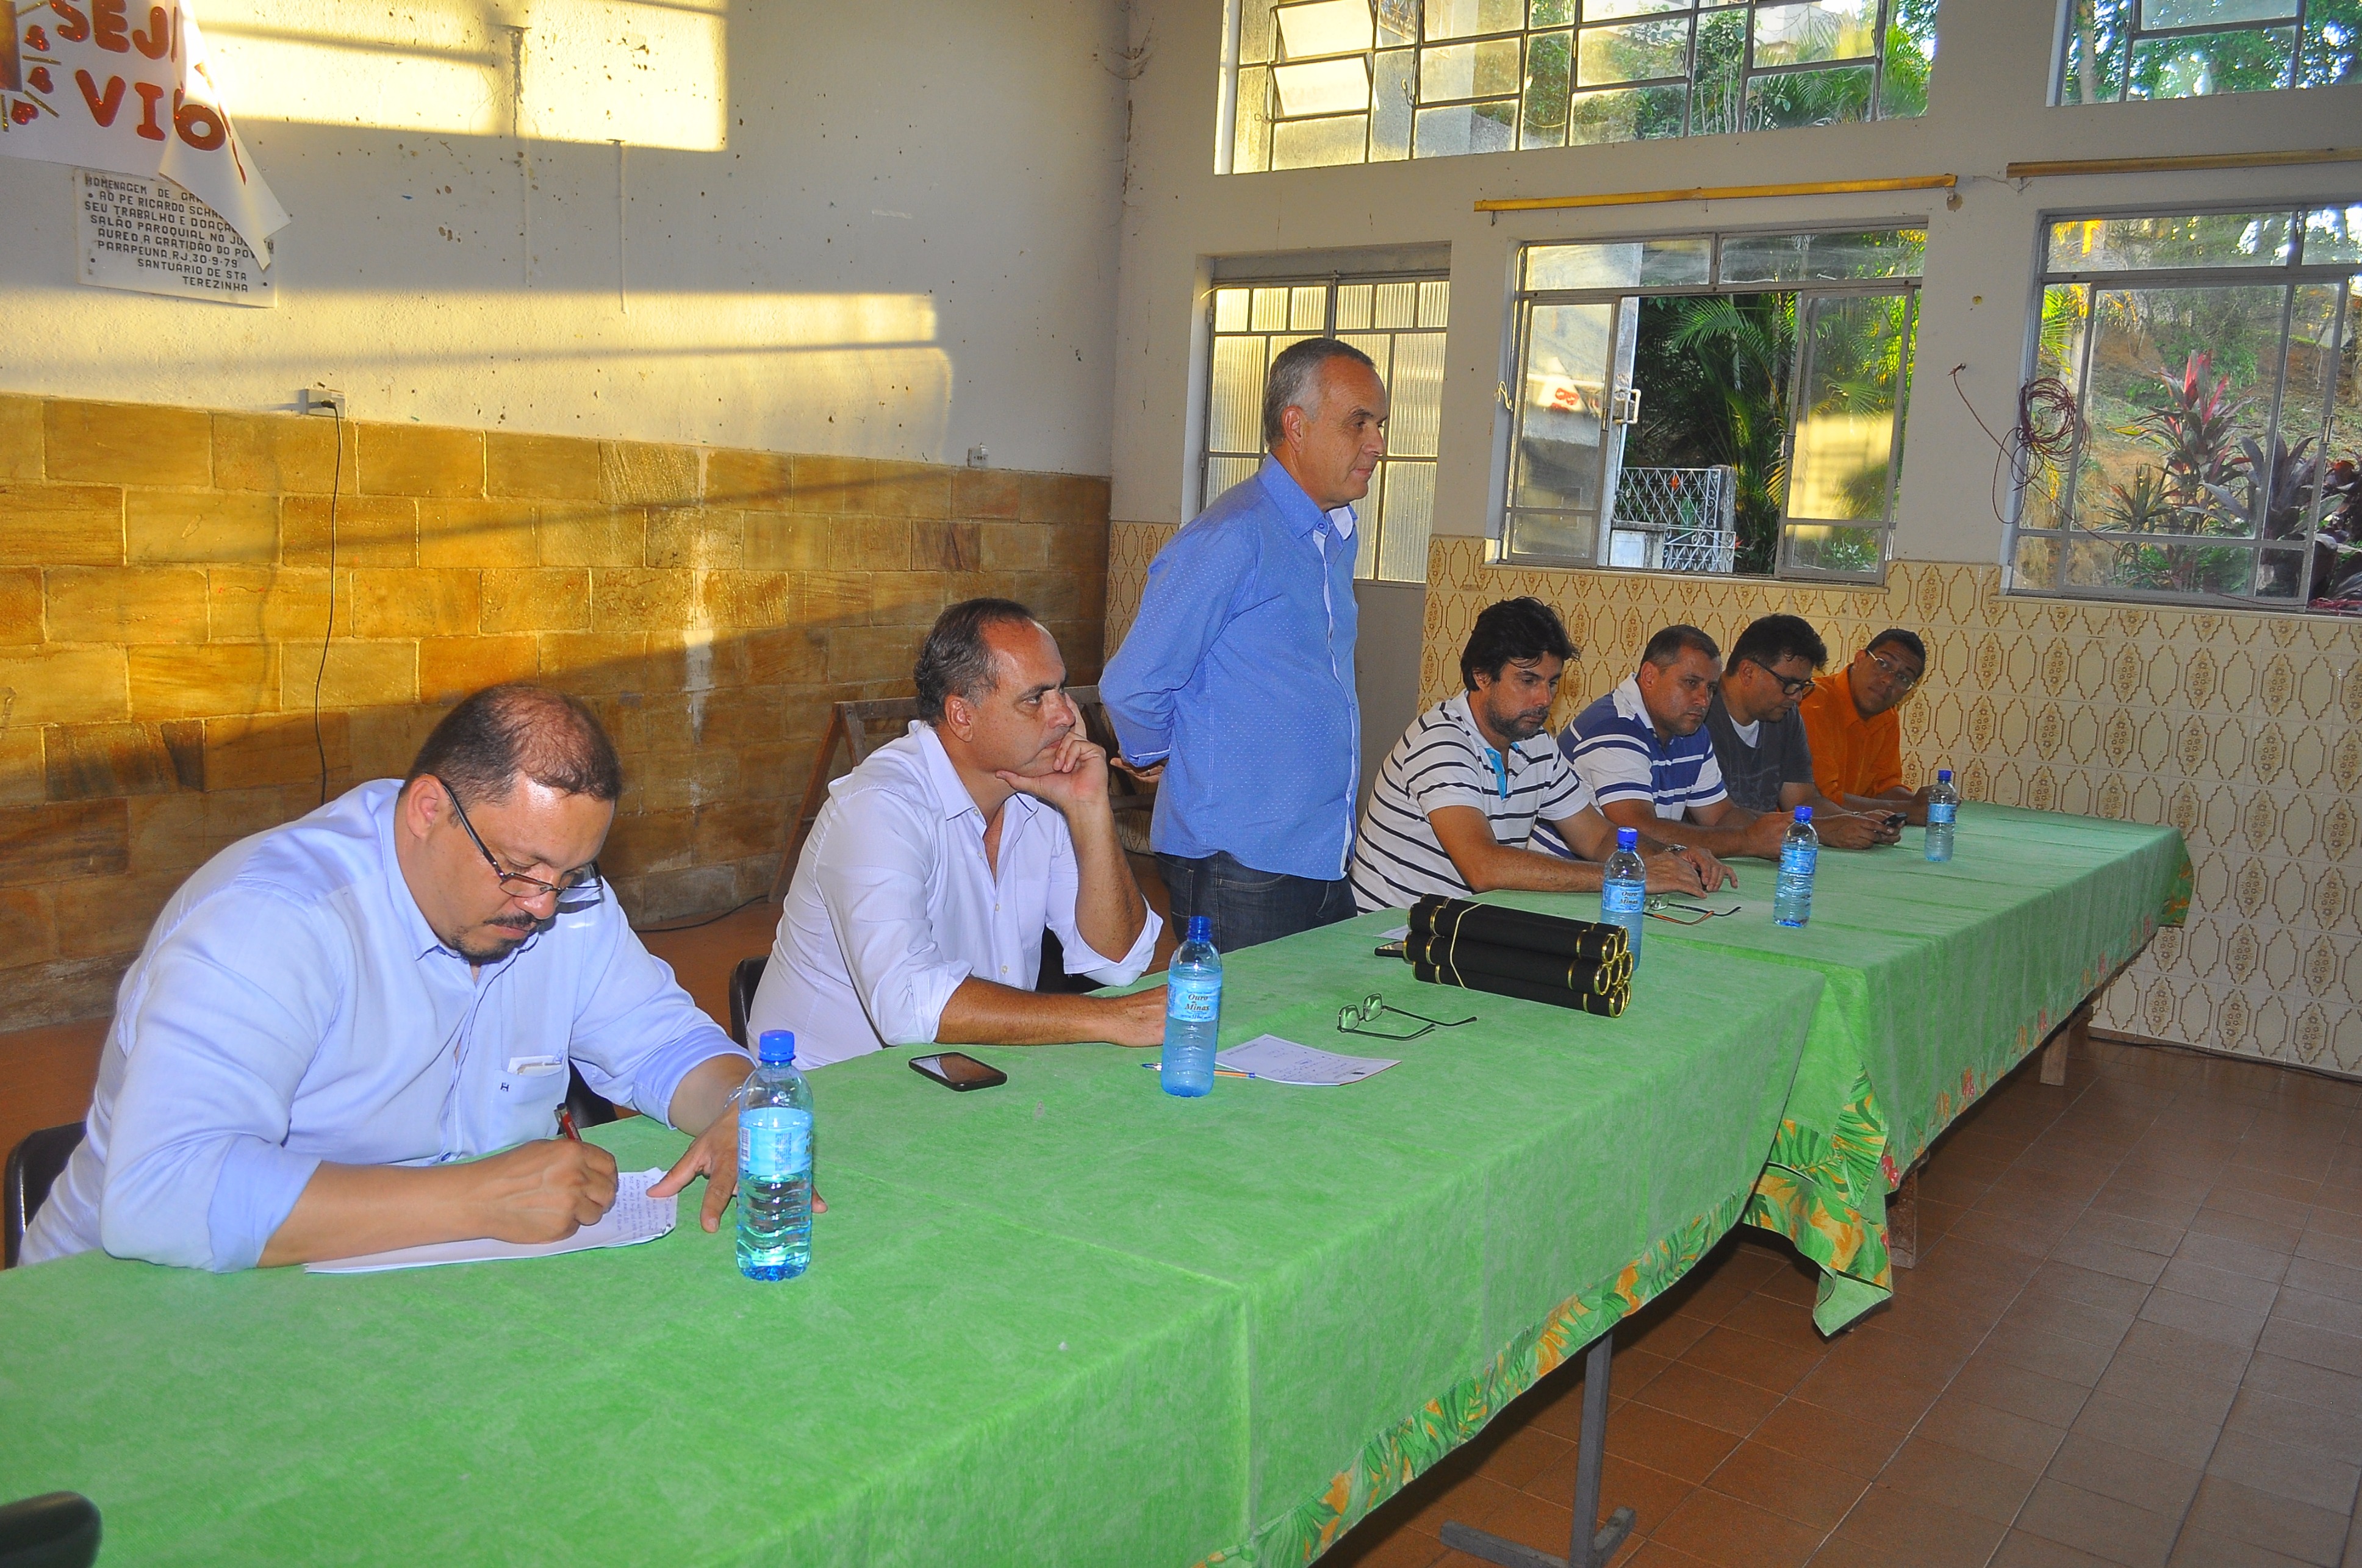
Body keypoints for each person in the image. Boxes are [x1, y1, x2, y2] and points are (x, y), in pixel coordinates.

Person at [24, 685, 758, 1270]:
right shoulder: (272, 920)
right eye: (517, 868)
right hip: (114, 1310)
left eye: (568, 874)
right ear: (428, 810)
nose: (541, 906)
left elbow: (663, 1046)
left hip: (413, 1282)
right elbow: (162, 1195)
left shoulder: (564, 900)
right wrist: (474, 1199)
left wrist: (744, 1105)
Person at [749, 598, 1165, 1070]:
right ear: (962, 716)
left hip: (970, 1072)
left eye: (1061, 689)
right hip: (826, 1090)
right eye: (1035, 698)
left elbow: (1119, 962)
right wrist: (1107, 1019)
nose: (1066, 715)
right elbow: (907, 1005)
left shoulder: (1042, 789)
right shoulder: (879, 807)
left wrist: (1090, 809)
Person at [1100, 336, 1386, 951]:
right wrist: (1156, 753)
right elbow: (1133, 683)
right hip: (1239, 863)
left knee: (1317, 1014)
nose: (1377, 444)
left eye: (1379, 425)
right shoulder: (1232, 536)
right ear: (1296, 426)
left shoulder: (1333, 536)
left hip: (1320, 852)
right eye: (1358, 423)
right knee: (1245, 1019)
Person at [1351, 598, 1730, 909]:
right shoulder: (1441, 742)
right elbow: (1484, 867)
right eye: (1528, 680)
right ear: (1481, 675)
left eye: (1552, 683)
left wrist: (1671, 856)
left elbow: (1597, 838)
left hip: (1460, 931)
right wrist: (1627, 876)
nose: (1544, 699)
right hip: (1388, 937)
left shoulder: (1536, 743)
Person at [1546, 625, 1794, 862]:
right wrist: (1747, 841)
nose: (1704, 700)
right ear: (1650, 677)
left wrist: (1779, 835)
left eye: (1711, 688)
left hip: (1638, 872)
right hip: (1571, 876)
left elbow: (1720, 815)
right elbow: (1638, 829)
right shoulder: (1614, 727)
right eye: (1691, 683)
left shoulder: (1691, 730)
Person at [1704, 614, 1897, 850]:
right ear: (1748, 672)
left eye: (1803, 687)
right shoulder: (1700, 714)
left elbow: (1803, 799)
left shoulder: (1784, 715)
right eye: (1790, 685)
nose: (1797, 697)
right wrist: (1825, 830)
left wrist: (1856, 821)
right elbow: (1721, 817)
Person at [1800, 628, 1934, 824]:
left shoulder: (1887, 716)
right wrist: (1908, 810)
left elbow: (1883, 787)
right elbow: (1820, 799)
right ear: (1860, 659)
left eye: (1903, 678)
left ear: (1908, 691)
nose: (1888, 680)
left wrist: (1924, 803)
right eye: (1883, 664)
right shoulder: (1813, 703)